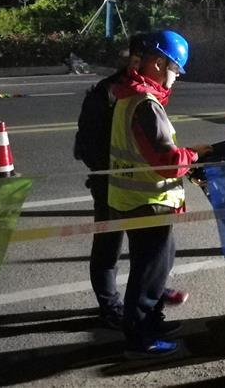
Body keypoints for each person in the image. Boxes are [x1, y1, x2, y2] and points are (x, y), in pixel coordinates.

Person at [107, 29, 210, 359]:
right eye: (175, 69)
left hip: (135, 200)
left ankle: (152, 321)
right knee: (147, 272)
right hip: (146, 202)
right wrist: (195, 155)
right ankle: (139, 340)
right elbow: (166, 162)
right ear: (157, 63)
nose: (175, 78)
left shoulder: (129, 96)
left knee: (158, 263)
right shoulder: (145, 104)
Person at [73, 34, 187, 331]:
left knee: (151, 251)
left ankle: (151, 290)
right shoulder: (112, 92)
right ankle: (111, 306)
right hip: (110, 181)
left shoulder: (141, 89)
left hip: (135, 185)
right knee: (108, 248)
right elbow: (88, 143)